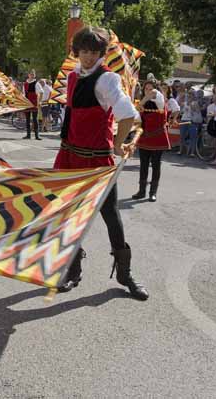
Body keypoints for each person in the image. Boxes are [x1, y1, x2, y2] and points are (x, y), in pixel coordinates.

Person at [54, 26, 148, 301]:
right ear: (77, 51)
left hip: (97, 161)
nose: (88, 57)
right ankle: (73, 269)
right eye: (84, 51)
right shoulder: (72, 76)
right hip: (70, 157)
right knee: (69, 217)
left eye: (94, 52)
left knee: (111, 217)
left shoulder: (108, 80)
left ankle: (125, 274)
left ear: (100, 54)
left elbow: (128, 116)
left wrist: (119, 144)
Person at [132, 80, 170, 202]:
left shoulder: (159, 100)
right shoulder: (143, 103)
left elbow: (153, 93)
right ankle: (141, 191)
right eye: (145, 89)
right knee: (143, 165)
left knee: (156, 165)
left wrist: (143, 99)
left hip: (157, 138)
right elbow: (137, 115)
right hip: (145, 138)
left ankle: (153, 192)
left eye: (150, 88)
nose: (148, 91)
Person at [22, 70, 41, 140]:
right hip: (27, 102)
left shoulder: (36, 83)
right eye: (31, 74)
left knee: (35, 119)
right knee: (27, 119)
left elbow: (41, 92)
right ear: (28, 75)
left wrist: (39, 102)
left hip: (34, 102)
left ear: (34, 75)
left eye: (33, 74)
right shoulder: (25, 83)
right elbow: (23, 94)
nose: (32, 75)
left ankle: (37, 135)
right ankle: (28, 135)